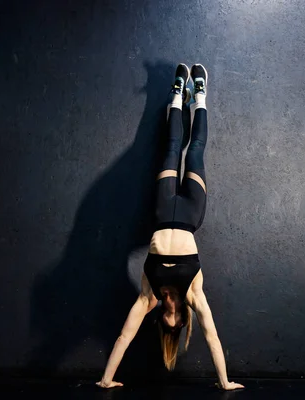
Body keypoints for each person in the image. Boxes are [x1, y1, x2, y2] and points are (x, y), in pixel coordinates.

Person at [96, 64, 244, 391]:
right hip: (191, 212)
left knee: (172, 148)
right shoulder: (194, 293)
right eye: (176, 317)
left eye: (167, 317)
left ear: (163, 320)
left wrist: (106, 379)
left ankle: (178, 95)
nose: (172, 311)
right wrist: (225, 381)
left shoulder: (148, 296)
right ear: (182, 322)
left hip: (164, 212)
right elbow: (211, 335)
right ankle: (201, 96)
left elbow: (125, 335)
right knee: (196, 150)